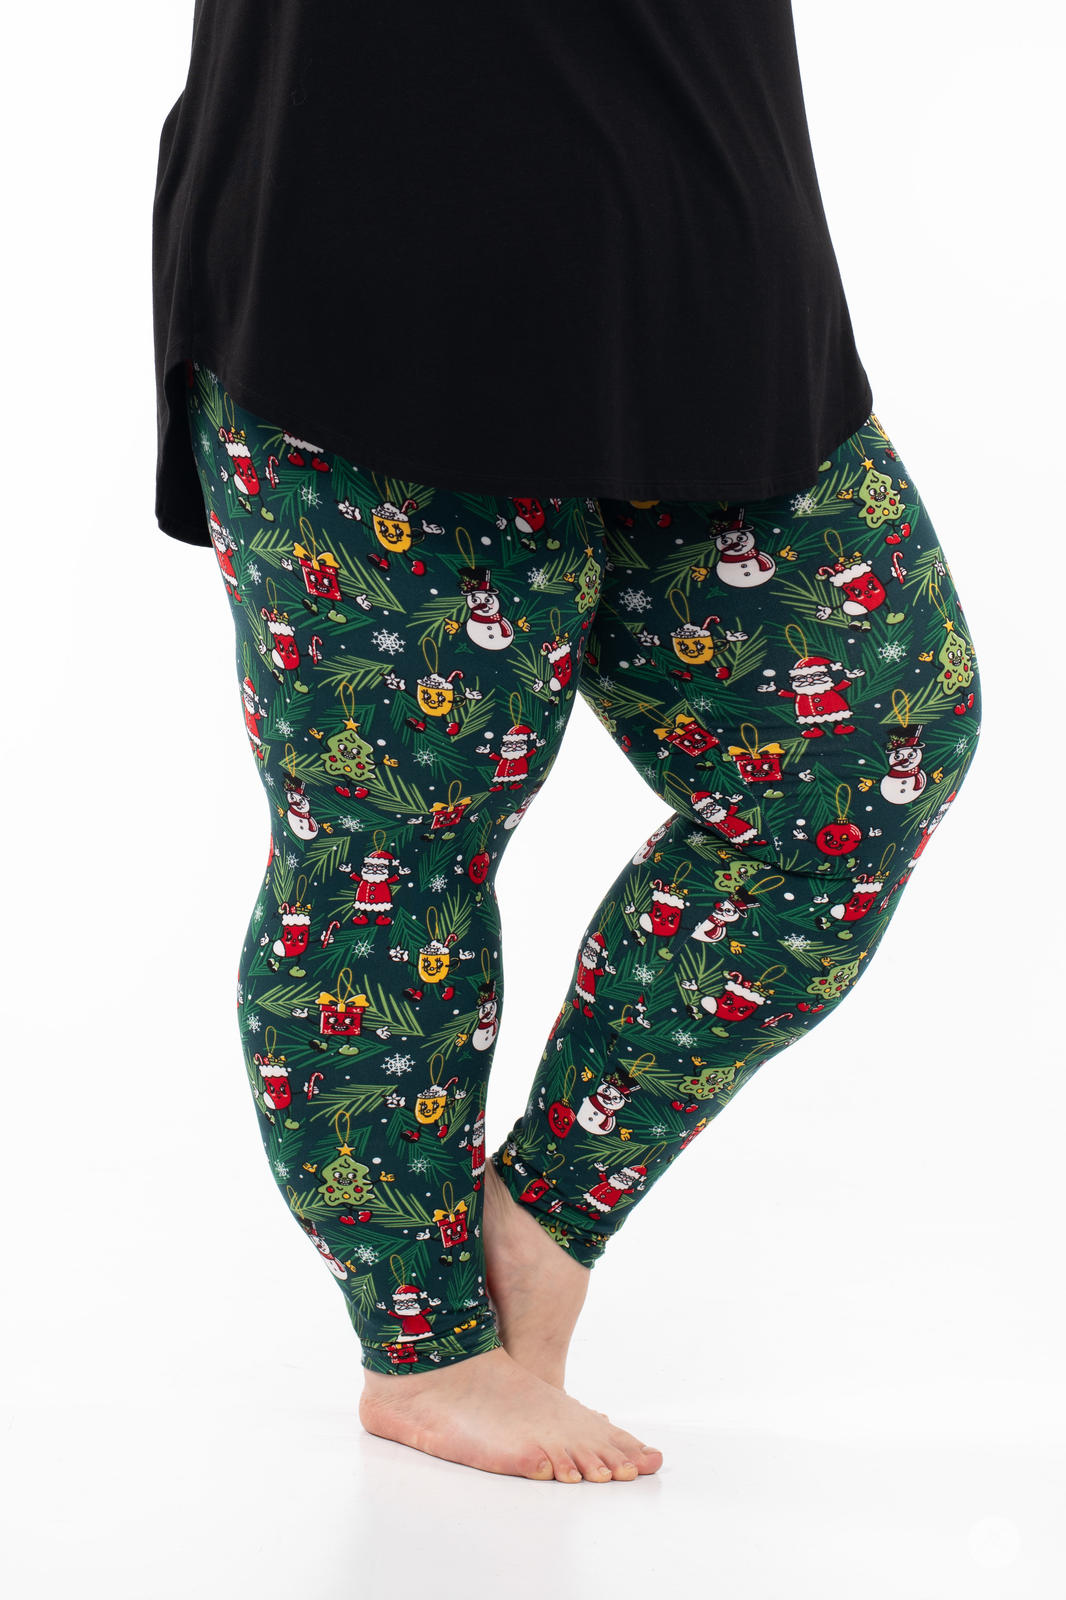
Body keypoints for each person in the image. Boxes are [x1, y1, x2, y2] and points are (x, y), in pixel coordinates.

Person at [151, 3, 983, 1483]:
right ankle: (423, 1347)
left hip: (704, 254)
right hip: (371, 264)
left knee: (868, 745)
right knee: (396, 841)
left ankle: (537, 1218)